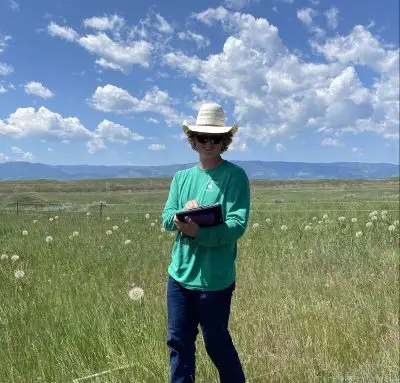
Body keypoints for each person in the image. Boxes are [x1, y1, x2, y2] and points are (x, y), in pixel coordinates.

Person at [161, 103, 251, 383]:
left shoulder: (235, 176)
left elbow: (236, 225)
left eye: (215, 138)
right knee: (178, 343)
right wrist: (180, 217)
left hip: (215, 280)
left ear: (225, 142)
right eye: (202, 137)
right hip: (179, 277)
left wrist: (197, 232)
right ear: (193, 140)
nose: (208, 143)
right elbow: (165, 219)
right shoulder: (181, 177)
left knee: (217, 344)